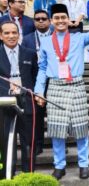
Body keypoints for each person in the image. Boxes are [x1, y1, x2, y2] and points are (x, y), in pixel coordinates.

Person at [34, 1, 89, 180]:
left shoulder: (78, 37)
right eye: (56, 18)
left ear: (69, 19)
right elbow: (42, 68)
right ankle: (59, 166)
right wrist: (39, 90)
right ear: (51, 20)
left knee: (81, 128)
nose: (60, 21)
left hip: (76, 86)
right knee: (57, 131)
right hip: (56, 87)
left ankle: (84, 164)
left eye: (63, 18)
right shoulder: (45, 42)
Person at [0, 21, 38, 174]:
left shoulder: (30, 53)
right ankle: (7, 176)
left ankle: (28, 175)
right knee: (5, 143)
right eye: (7, 33)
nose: (11, 36)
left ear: (19, 34)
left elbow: (35, 78)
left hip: (26, 103)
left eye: (14, 32)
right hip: (4, 103)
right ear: (1, 36)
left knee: (28, 142)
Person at [22, 10, 52, 155]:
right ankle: (38, 144)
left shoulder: (55, 36)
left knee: (55, 115)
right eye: (37, 19)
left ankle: (58, 143)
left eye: (43, 19)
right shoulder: (27, 39)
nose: (40, 21)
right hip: (35, 82)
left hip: (54, 81)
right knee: (37, 116)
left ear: (49, 21)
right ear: (34, 22)